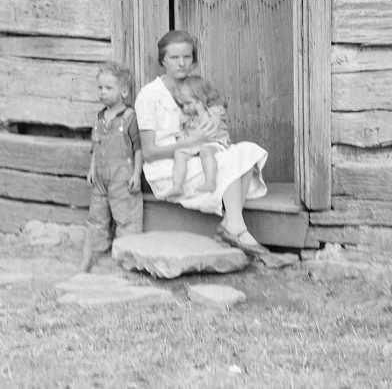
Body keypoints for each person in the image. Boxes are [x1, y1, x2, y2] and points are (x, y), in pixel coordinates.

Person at [134, 30, 268, 256]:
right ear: (162, 61)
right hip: (169, 168)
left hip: (199, 157)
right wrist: (191, 142)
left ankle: (232, 223)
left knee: (247, 150)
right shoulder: (149, 96)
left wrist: (212, 135)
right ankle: (234, 228)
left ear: (194, 60)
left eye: (187, 57)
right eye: (174, 58)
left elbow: (213, 121)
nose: (182, 62)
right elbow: (149, 153)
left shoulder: (195, 88)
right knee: (231, 161)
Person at [80, 62, 143, 272]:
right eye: (100, 88)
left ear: (123, 91)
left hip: (122, 176)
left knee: (126, 218)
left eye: (109, 88)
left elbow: (138, 149)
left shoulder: (129, 117)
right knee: (96, 217)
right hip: (100, 176)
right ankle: (89, 260)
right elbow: (95, 146)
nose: (103, 92)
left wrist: (136, 174)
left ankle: (126, 264)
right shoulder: (99, 117)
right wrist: (92, 169)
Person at [168, 75, 231, 199]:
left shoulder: (214, 111)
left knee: (206, 150)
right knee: (179, 153)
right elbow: (183, 133)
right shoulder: (187, 116)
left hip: (215, 142)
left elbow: (209, 128)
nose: (185, 108)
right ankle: (177, 186)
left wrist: (201, 110)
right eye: (182, 105)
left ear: (201, 99)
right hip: (197, 144)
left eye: (188, 103)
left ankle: (210, 182)